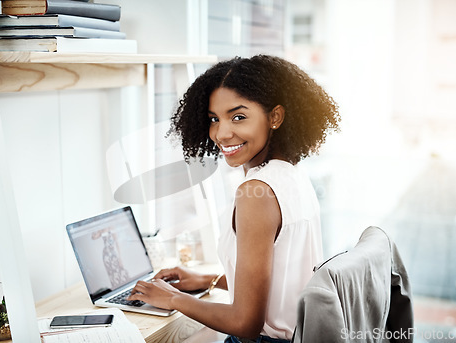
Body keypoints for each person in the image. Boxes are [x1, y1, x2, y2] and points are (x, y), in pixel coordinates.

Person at [128, 55, 340, 343]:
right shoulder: (291, 174)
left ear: (274, 117)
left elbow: (245, 323)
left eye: (238, 117)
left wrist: (174, 299)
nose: (222, 133)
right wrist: (208, 280)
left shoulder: (256, 192)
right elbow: (283, 283)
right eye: (214, 119)